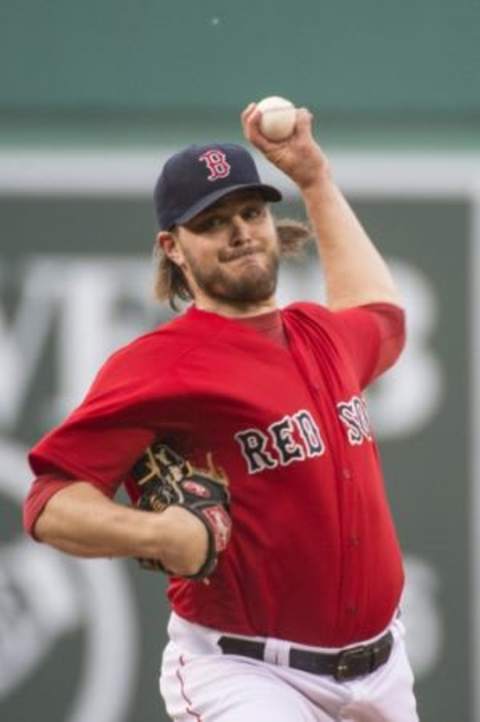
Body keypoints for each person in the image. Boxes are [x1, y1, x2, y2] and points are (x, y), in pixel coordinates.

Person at [23, 103, 419, 722]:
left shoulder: (318, 333)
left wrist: (314, 180)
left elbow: (382, 315)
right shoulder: (163, 362)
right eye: (212, 222)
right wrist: (159, 534)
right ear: (172, 248)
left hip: (382, 667)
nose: (240, 231)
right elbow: (50, 502)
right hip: (246, 673)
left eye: (251, 212)